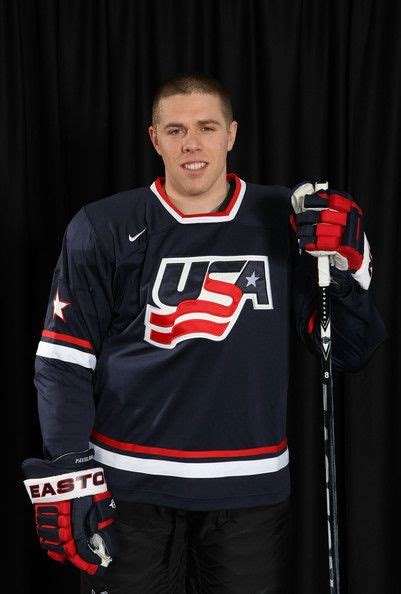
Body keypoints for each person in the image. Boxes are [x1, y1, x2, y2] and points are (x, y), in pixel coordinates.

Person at [21, 73, 387, 594]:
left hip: (249, 494)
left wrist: (349, 267)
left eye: (206, 127)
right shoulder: (102, 226)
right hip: (129, 487)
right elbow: (63, 360)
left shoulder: (288, 217)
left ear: (232, 134)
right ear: (154, 138)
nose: (191, 143)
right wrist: (70, 473)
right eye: (175, 130)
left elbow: (349, 349)